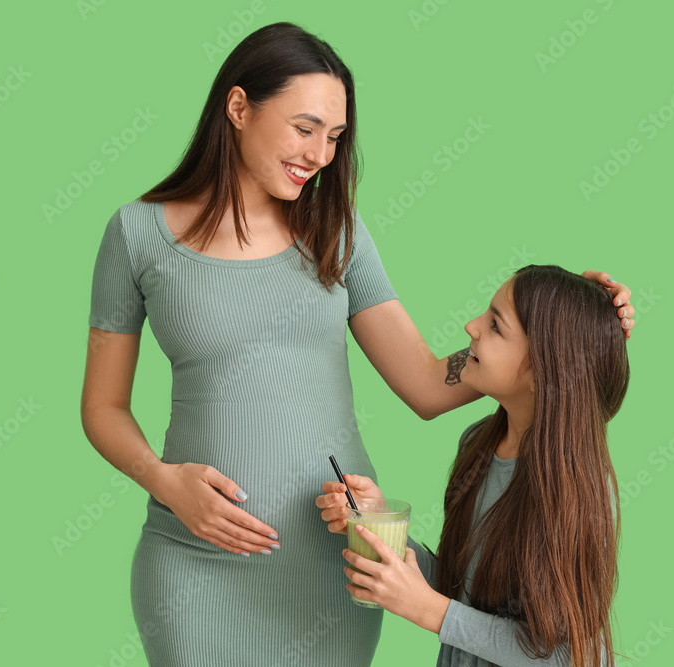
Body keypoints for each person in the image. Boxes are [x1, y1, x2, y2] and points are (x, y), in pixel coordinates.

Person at [81, 21, 635, 666]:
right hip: (193, 561)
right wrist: (166, 482)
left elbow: (430, 382)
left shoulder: (335, 228)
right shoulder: (137, 235)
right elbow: (103, 408)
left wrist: (560, 334)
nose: (320, 155)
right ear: (238, 108)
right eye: (304, 127)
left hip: (333, 563)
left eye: (335, 137)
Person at [317, 264, 628, 666]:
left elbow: (568, 655)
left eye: (496, 326)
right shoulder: (480, 445)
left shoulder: (575, 490)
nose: (471, 326)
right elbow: (461, 591)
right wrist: (379, 526)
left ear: (543, 370)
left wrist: (429, 611)